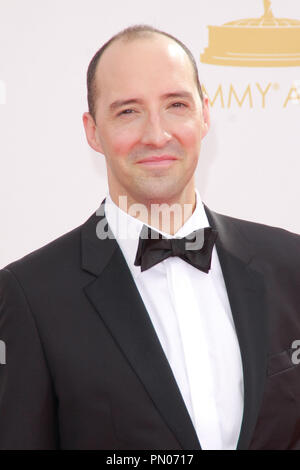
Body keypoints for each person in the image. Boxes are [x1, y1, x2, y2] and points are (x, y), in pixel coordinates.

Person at [0, 25, 299, 451]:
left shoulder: (290, 263)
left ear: (205, 114)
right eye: (128, 112)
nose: (157, 135)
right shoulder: (30, 296)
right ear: (92, 130)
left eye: (176, 105)